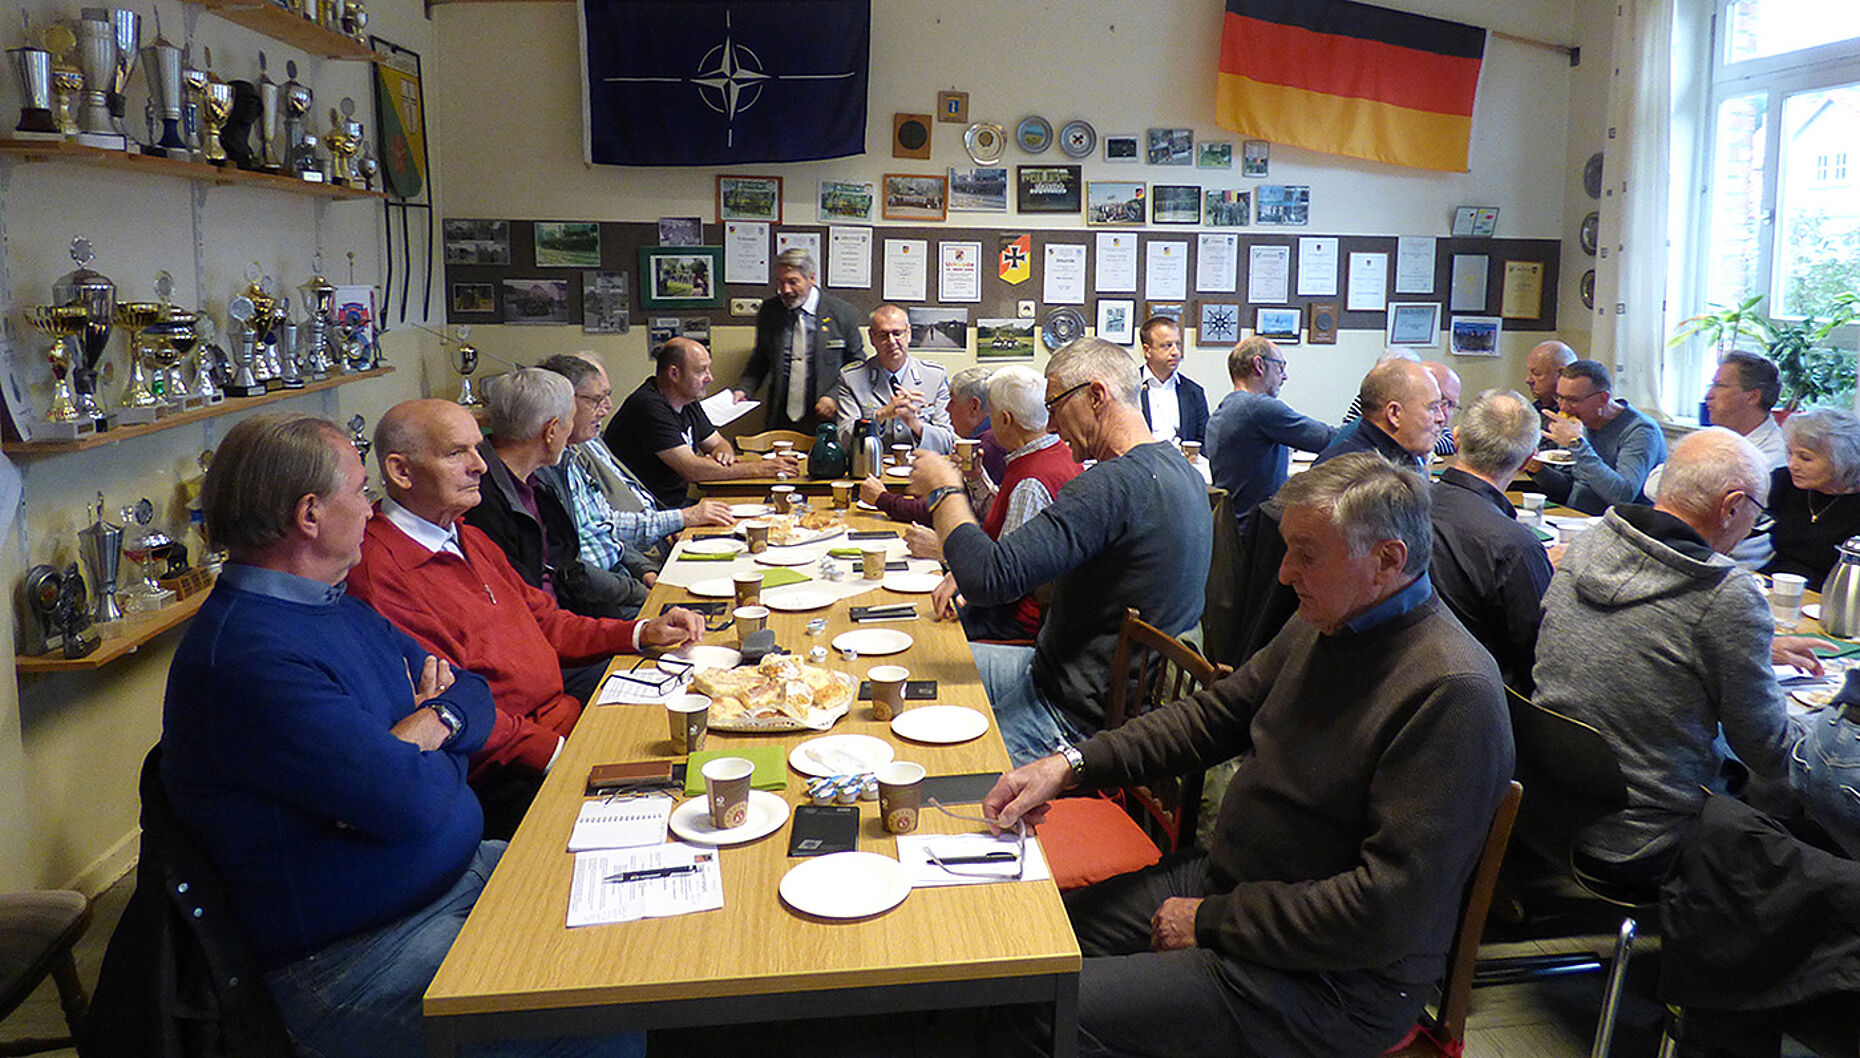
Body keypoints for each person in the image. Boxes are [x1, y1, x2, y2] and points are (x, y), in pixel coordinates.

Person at [982, 452, 1513, 1058]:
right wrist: (1072, 765)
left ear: (1387, 560)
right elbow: (1214, 717)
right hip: (1238, 886)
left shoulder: (1451, 691)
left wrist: (1210, 921)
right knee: (1030, 948)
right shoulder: (1329, 621)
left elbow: (1385, 910)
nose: (1284, 573)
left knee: (1039, 1015)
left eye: (1306, 554)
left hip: (1333, 978)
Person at [161, 412, 643, 1058]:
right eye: (361, 492)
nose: (370, 510)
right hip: (358, 957)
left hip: (462, 876)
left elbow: (468, 690)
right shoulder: (248, 658)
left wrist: (429, 727)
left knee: (636, 899)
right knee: (602, 1006)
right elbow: (408, 803)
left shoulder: (332, 607)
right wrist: (434, 736)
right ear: (310, 514)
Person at [349, 399, 704, 840]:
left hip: (564, 721)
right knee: (679, 818)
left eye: (479, 449)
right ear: (401, 472)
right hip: (512, 771)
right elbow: (456, 708)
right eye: (457, 453)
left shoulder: (468, 536)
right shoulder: (379, 573)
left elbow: (548, 623)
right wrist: (561, 754)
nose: (480, 465)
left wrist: (639, 631)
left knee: (694, 727)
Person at [913, 337, 1211, 766]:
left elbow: (987, 579)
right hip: (1061, 677)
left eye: (1054, 407)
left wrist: (945, 488)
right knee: (919, 658)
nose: (1050, 425)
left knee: (945, 771)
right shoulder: (1179, 471)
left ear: (1096, 395)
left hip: (1071, 717)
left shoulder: (1111, 485)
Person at [1534, 427, 1804, 891]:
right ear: (1733, 505)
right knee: (1807, 819)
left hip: (1548, 813)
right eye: (1756, 515)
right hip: (1645, 842)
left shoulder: (1589, 544)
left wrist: (1752, 647)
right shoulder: (1723, 594)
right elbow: (1769, 749)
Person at [466, 368, 652, 619]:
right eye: (570, 419)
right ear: (552, 430)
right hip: (550, 632)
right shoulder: (483, 501)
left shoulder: (537, 483)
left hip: (575, 617)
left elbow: (568, 567)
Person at [927, 365, 1083, 641]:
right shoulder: (1055, 452)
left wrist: (957, 571)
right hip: (1015, 606)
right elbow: (1005, 521)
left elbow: (1001, 579)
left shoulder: (1031, 483)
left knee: (925, 631)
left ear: (1006, 419)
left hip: (1013, 620)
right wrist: (976, 477)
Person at [538, 353, 735, 564]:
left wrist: (669, 526)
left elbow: (605, 529)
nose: (607, 408)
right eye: (597, 398)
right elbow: (692, 470)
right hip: (640, 550)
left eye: (607, 395)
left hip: (651, 536)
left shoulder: (583, 443)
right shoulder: (562, 459)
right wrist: (679, 519)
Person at [1429, 389, 1554, 692]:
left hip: (1416, 674)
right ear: (1528, 460)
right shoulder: (1516, 547)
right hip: (1487, 697)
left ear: (1456, 440)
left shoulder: (1404, 503)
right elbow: (1540, 656)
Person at [604, 338, 797, 510]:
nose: (710, 377)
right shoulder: (649, 406)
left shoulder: (687, 400)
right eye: (701, 370)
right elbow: (692, 469)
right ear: (674, 373)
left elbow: (717, 443)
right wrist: (761, 469)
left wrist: (724, 454)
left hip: (675, 504)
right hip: (651, 510)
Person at [1646, 351, 1785, 567]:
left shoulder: (1775, 458)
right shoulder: (1713, 437)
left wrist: (1681, 486)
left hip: (1735, 566)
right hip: (1686, 553)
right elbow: (1652, 483)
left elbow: (1706, 506)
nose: (1709, 395)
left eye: (1720, 386)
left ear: (1753, 396)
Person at [731, 247, 866, 431]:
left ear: (811, 278)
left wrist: (835, 396)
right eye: (780, 282)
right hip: (781, 416)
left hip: (828, 416)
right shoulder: (770, 311)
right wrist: (743, 390)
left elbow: (857, 365)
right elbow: (760, 360)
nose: (785, 290)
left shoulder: (843, 313)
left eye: (793, 282)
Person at [1203, 336, 1334, 519]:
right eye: (1280, 367)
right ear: (1259, 365)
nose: (1285, 376)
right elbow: (1328, 439)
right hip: (1259, 533)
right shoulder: (1258, 408)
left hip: (1235, 529)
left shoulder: (1225, 409)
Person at [861, 364, 1007, 526]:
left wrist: (882, 498)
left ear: (974, 406)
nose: (947, 408)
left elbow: (938, 510)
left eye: (952, 400)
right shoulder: (990, 437)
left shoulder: (987, 448)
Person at [1529, 358, 1666, 515]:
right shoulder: (1578, 423)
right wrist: (1537, 469)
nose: (1563, 406)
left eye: (1573, 400)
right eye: (1559, 397)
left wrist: (1577, 446)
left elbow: (1622, 496)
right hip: (1574, 517)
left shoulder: (1640, 431)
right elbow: (1567, 487)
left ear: (1603, 399)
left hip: (1622, 526)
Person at [831, 303, 955, 453]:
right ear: (872, 338)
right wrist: (881, 415)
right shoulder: (852, 379)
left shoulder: (935, 377)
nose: (891, 341)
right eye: (883, 335)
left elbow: (948, 443)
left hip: (921, 469)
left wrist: (915, 423)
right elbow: (844, 441)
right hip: (871, 470)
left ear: (908, 333)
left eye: (897, 333)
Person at [1761, 408, 1860, 590]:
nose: (1792, 465)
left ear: (1841, 461)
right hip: (1774, 584)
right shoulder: (1783, 482)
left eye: (1805, 458)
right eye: (1790, 453)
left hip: (1829, 597)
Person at [1316, 356, 1446, 469]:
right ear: (1394, 414)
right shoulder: (1358, 476)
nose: (1441, 418)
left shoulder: (1400, 456)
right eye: (1432, 408)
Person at [1135, 316, 1208, 445]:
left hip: (1182, 462)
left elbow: (1204, 440)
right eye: (1167, 346)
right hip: (1141, 462)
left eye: (1178, 344)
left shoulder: (1193, 391)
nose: (1175, 352)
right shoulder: (1130, 387)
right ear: (1147, 350)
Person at [1524, 340, 1577, 419]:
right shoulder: (1530, 412)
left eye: (1537, 373)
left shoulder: (1580, 417)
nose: (1528, 380)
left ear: (1561, 374)